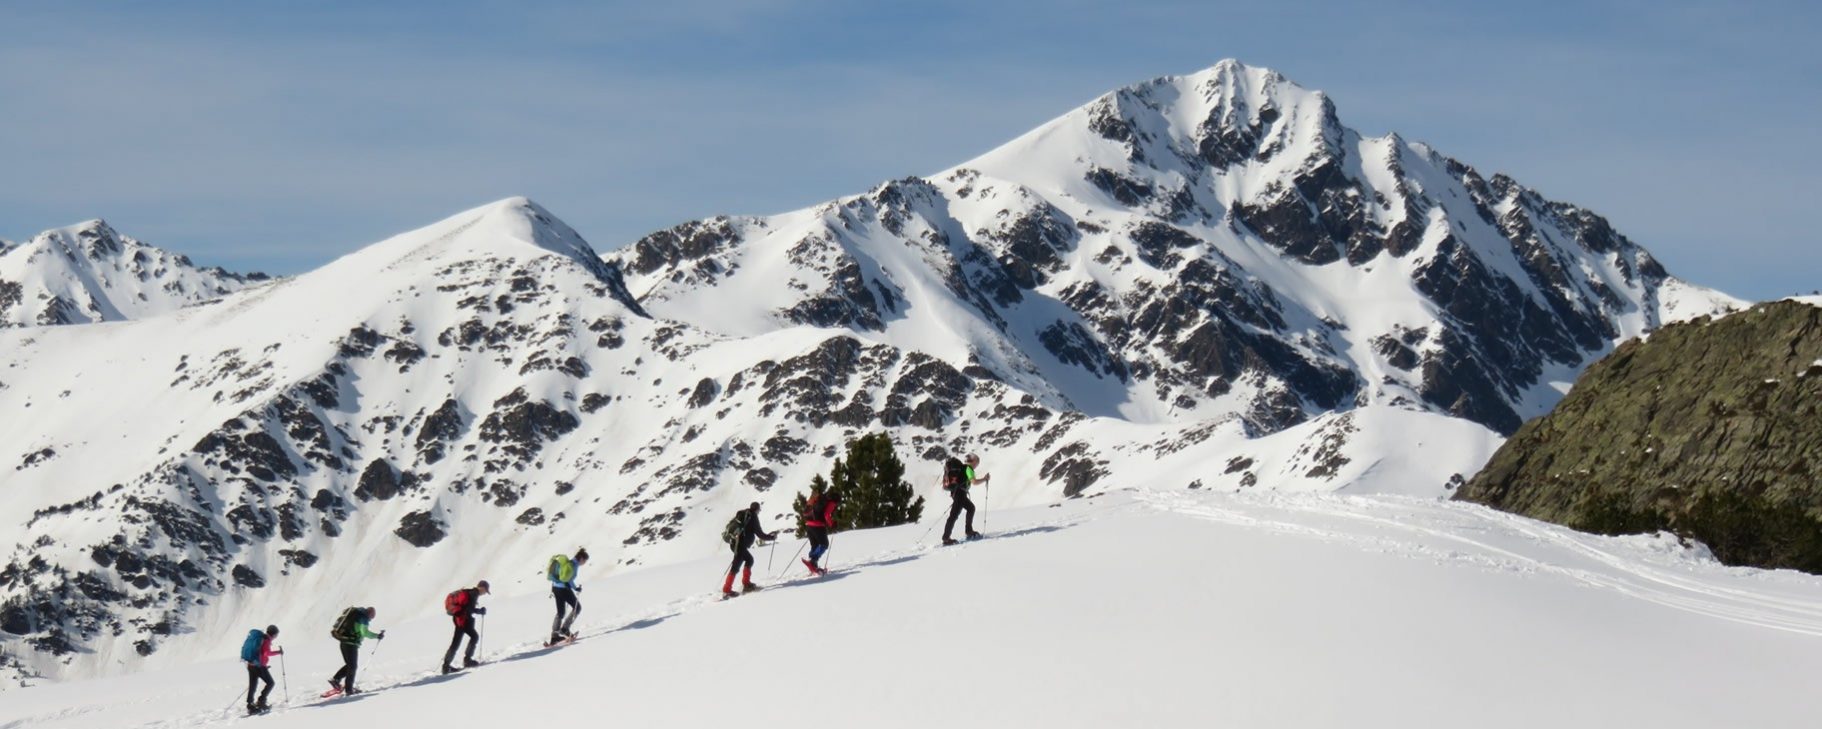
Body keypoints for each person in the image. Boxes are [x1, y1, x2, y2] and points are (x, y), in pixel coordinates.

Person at [723, 502, 779, 597]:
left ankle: (746, 583)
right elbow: (760, 534)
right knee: (736, 566)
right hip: (739, 545)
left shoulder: (743, 514)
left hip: (735, 543)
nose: (759, 512)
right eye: (759, 510)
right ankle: (727, 590)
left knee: (749, 560)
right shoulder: (752, 517)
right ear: (757, 509)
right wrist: (771, 537)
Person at [325, 607, 384, 696]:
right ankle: (349, 689)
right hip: (351, 644)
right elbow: (364, 632)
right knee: (353, 666)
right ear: (370, 614)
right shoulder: (363, 618)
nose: (371, 619)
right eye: (372, 616)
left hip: (344, 642)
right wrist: (377, 636)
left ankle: (336, 680)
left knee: (350, 665)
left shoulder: (356, 615)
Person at [441, 580, 490, 674]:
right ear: (482, 588)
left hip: (459, 619)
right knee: (465, 640)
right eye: (485, 591)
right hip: (462, 620)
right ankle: (464, 661)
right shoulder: (473, 594)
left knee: (460, 641)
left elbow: (466, 608)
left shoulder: (470, 592)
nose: (485, 593)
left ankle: (448, 666)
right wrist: (479, 611)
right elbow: (469, 609)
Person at [942, 453, 990, 545]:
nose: (977, 464)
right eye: (977, 462)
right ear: (973, 461)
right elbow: (974, 482)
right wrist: (984, 479)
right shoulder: (968, 469)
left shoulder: (963, 468)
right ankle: (946, 538)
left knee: (971, 508)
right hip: (960, 494)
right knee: (954, 515)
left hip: (958, 493)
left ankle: (968, 530)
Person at [547, 548, 589, 646]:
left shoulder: (567, 563)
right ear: (581, 559)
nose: (585, 563)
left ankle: (554, 636)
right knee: (577, 608)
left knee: (560, 612)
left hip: (555, 588)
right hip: (564, 590)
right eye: (585, 561)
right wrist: (576, 588)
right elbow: (569, 580)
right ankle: (565, 629)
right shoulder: (573, 565)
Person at [239, 624, 283, 714]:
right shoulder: (266, 640)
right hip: (259, 666)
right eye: (276, 635)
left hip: (250, 664)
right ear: (274, 634)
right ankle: (261, 701)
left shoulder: (260, 638)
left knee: (253, 685)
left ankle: (250, 705)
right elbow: (266, 653)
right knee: (270, 683)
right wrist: (278, 652)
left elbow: (261, 653)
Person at [801, 491, 841, 575]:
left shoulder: (821, 499)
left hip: (808, 524)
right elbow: (827, 514)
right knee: (824, 544)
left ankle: (813, 565)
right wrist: (832, 524)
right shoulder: (831, 502)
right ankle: (813, 561)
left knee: (815, 545)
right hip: (817, 525)